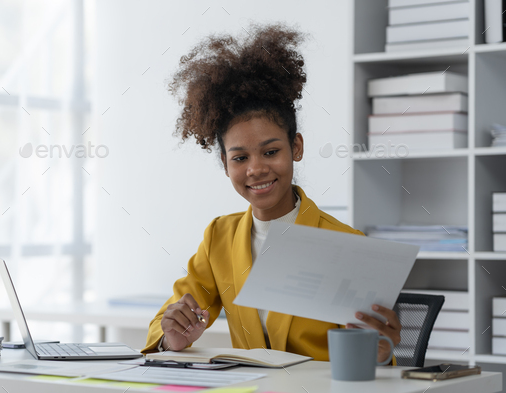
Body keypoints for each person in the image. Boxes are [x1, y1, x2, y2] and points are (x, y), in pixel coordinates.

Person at [142, 22, 401, 364]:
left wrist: (380, 354)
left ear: (296, 147)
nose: (256, 169)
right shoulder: (220, 237)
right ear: (225, 163)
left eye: (270, 152)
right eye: (240, 158)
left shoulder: (345, 244)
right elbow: (168, 320)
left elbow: (369, 359)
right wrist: (171, 337)